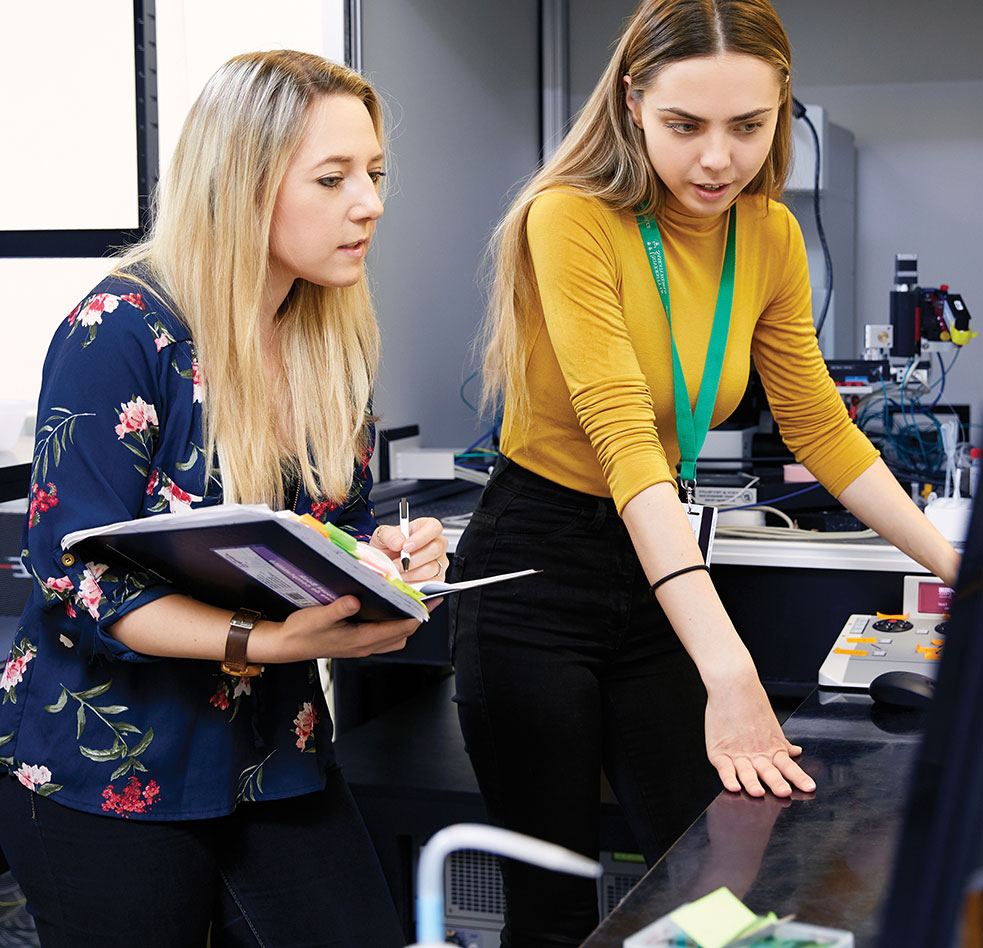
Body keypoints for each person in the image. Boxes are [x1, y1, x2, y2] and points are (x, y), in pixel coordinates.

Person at [448, 2, 960, 945]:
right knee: (552, 905)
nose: (716, 160)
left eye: (748, 126)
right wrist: (729, 670)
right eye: (685, 126)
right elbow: (622, 437)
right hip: (535, 565)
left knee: (719, 877)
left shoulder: (764, 235)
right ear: (634, 103)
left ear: (781, 112)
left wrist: (952, 569)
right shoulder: (569, 220)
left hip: (657, 568)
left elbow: (821, 429)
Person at [0, 50, 448, 947]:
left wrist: (382, 562)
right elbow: (80, 580)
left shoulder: (327, 332)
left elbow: (322, 525)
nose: (370, 202)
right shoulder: (122, 329)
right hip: (108, 768)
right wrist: (271, 640)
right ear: (242, 186)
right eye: (332, 178)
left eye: (374, 173)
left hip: (274, 753)